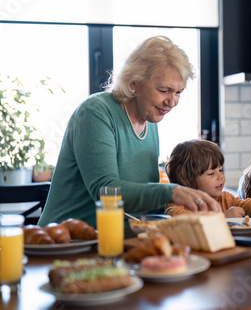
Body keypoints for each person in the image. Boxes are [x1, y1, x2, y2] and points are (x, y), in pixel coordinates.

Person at [39, 36, 220, 228]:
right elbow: (105, 191)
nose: (172, 102)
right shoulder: (95, 112)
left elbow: (142, 203)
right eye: (164, 90)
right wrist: (172, 192)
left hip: (117, 237)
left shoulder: (150, 121)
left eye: (178, 93)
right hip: (66, 240)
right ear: (134, 83)